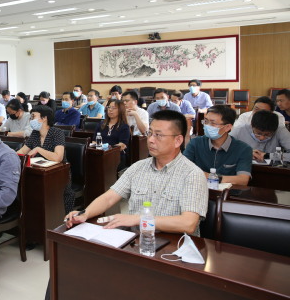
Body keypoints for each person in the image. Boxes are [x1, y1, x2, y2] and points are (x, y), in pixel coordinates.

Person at [66, 110, 208, 237]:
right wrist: (86, 213)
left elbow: (188, 224)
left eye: (158, 135)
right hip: (137, 241)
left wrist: (139, 219)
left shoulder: (192, 174)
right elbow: (109, 198)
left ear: (178, 140)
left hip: (175, 246)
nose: (150, 140)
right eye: (150, 133)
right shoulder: (138, 167)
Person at [18, 105, 74, 213]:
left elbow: (58, 157)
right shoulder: (35, 133)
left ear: (44, 118)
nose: (31, 120)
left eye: (33, 116)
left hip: (58, 174)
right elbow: (22, 152)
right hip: (39, 173)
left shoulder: (57, 133)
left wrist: (38, 149)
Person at [184, 105, 252, 186]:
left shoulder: (243, 149)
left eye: (213, 123)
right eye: (206, 121)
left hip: (228, 192)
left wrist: (213, 178)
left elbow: (243, 180)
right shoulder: (195, 143)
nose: (207, 126)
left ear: (227, 127)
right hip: (197, 189)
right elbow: (183, 169)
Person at [94, 99, 131, 169]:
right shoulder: (101, 124)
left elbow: (122, 145)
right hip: (100, 154)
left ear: (120, 110)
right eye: (109, 107)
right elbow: (94, 141)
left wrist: (107, 149)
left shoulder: (124, 127)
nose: (110, 110)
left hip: (116, 156)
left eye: (114, 108)